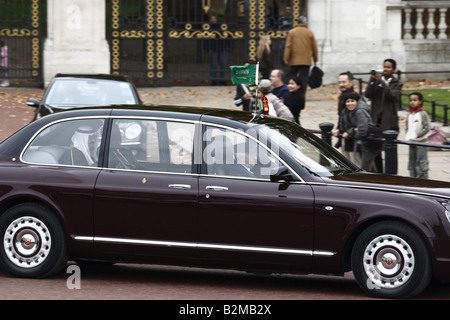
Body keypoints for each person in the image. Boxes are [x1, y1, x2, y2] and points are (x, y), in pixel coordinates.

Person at [364, 58, 403, 173]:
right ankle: (378, 173)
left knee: (389, 150)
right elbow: (368, 94)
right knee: (376, 150)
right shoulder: (376, 81)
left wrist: (381, 82)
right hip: (376, 121)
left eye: (388, 67)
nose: (385, 69)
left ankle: (391, 174)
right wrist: (372, 81)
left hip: (389, 122)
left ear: (394, 70)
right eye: (384, 67)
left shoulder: (397, 83)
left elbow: (392, 95)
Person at [333, 92, 380, 172]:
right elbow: (344, 124)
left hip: (362, 144)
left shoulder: (359, 111)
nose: (350, 103)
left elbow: (362, 129)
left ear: (357, 102)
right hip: (351, 142)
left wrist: (350, 132)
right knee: (363, 168)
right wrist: (340, 130)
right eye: (348, 101)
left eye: (352, 101)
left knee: (361, 168)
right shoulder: (345, 111)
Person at [283, 16, 318, 99]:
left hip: (294, 60)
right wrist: (315, 59)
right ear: (305, 23)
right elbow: (314, 47)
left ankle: (291, 91)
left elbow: (288, 46)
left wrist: (286, 58)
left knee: (292, 76)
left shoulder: (292, 32)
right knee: (304, 78)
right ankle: (302, 94)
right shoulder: (309, 32)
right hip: (306, 60)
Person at [405, 92, 430, 179]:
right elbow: (407, 127)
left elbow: (427, 127)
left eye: (415, 100)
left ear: (420, 101)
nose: (412, 102)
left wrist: (419, 135)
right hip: (411, 143)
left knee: (421, 163)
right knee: (412, 162)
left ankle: (422, 180)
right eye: (411, 100)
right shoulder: (409, 114)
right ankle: (412, 178)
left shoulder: (423, 114)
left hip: (421, 143)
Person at [204, 15, 229, 86]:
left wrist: (228, 47)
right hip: (213, 49)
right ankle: (214, 80)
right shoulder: (208, 28)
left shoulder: (222, 27)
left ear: (217, 19)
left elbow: (228, 36)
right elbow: (205, 39)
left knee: (223, 65)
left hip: (222, 48)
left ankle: (222, 80)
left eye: (214, 18)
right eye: (212, 18)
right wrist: (207, 49)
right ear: (210, 19)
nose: (213, 20)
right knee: (213, 66)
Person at [335, 71, 356, 148]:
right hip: (345, 136)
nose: (341, 85)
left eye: (344, 82)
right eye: (339, 82)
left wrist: (349, 132)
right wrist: (338, 129)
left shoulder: (355, 98)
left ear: (351, 82)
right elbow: (341, 116)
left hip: (354, 139)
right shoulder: (342, 97)